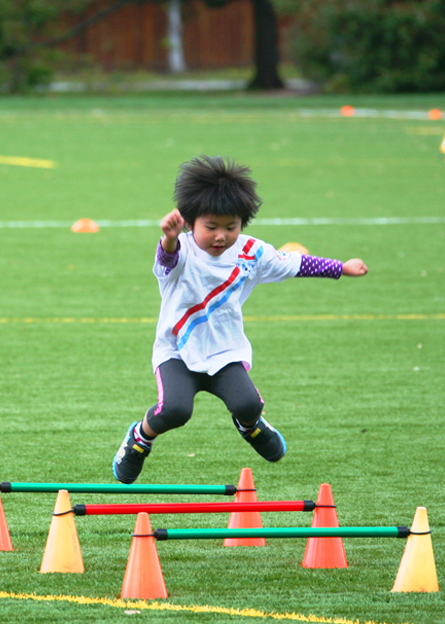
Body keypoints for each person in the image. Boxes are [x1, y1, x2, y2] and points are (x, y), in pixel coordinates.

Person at [113, 156, 367, 484]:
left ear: (242, 224)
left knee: (248, 404)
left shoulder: (251, 253)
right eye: (211, 227)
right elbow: (166, 260)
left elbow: (293, 263)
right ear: (190, 222)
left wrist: (340, 267)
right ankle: (139, 439)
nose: (221, 236)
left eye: (230, 227)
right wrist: (169, 239)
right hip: (176, 351)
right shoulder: (183, 251)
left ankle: (249, 426)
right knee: (175, 411)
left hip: (224, 351)